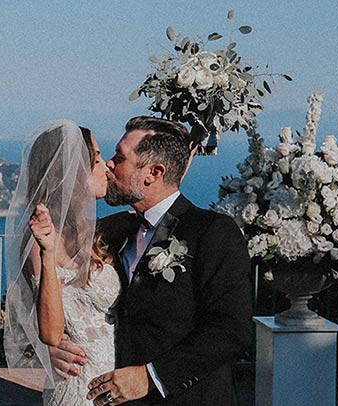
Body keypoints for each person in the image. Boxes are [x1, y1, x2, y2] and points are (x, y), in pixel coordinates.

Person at [49, 116, 252, 405]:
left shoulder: (211, 232)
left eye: (120, 157)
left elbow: (232, 330)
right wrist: (54, 348)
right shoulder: (114, 234)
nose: (108, 164)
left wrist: (151, 377)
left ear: (153, 173)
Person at [3, 120, 119, 405]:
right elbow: (51, 333)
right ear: (75, 171)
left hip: (115, 385)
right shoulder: (41, 241)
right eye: (98, 157)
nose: (107, 166)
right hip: (79, 388)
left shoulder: (95, 231)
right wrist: (47, 250)